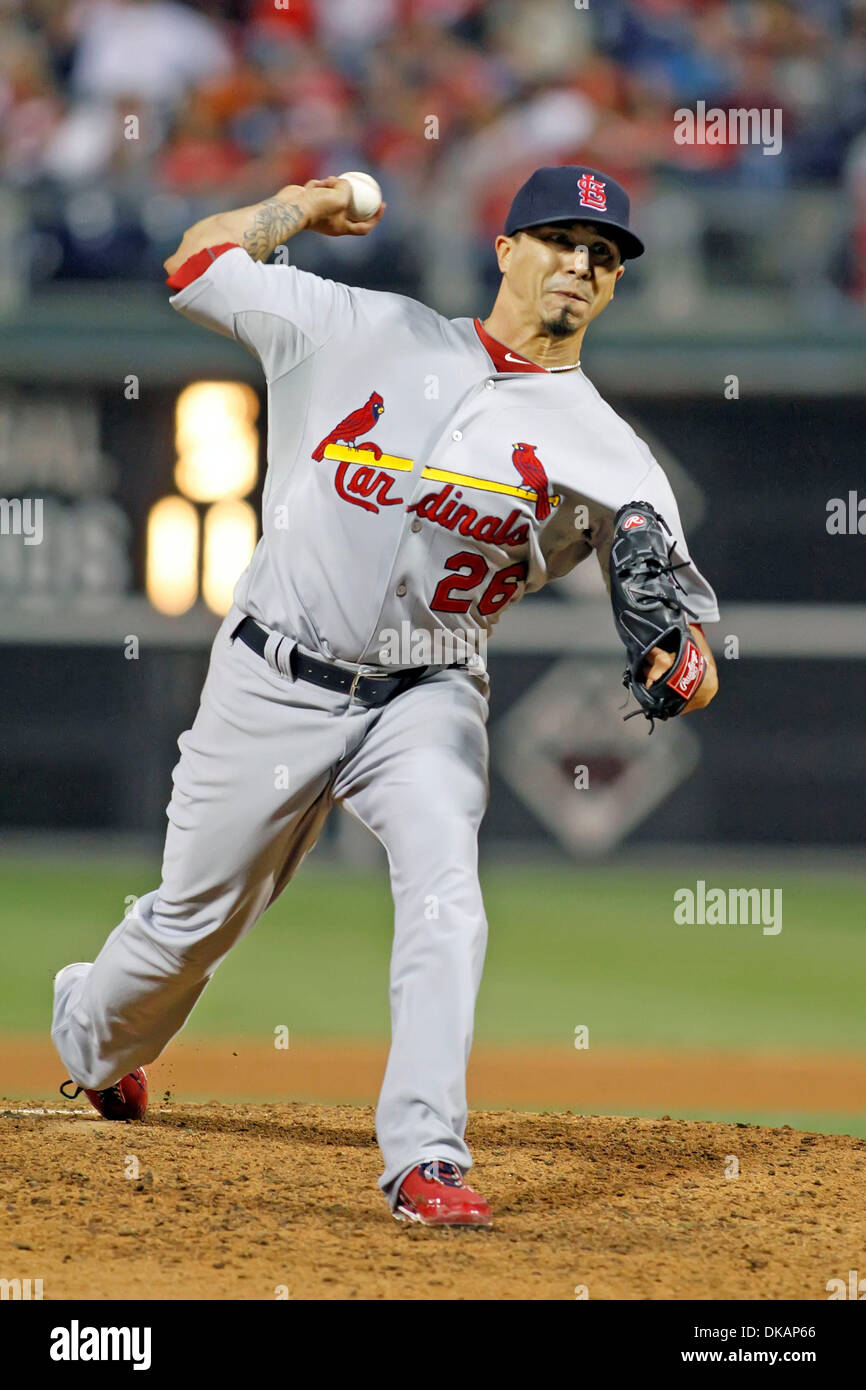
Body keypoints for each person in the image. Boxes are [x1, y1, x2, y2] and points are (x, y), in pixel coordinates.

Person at [52, 165, 719, 1228]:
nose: (578, 265)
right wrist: (302, 207)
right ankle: (93, 1032)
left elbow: (687, 644)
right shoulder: (356, 326)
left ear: (611, 285)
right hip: (273, 672)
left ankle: (424, 1158)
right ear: (504, 250)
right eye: (557, 238)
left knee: (446, 892)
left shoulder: (609, 455)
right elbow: (193, 266)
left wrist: (677, 663)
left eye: (602, 255)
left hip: (428, 692)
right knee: (189, 924)